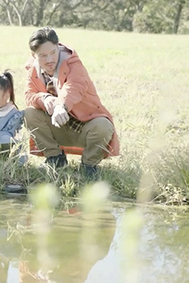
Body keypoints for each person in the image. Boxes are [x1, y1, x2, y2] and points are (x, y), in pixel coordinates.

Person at [23, 27, 120, 179]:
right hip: (57, 126)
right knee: (28, 113)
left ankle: (89, 165)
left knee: (104, 126)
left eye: (53, 53)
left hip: (85, 126)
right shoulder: (32, 68)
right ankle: (55, 159)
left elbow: (74, 87)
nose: (49, 60)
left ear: (58, 47)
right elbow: (29, 94)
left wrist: (61, 105)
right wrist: (44, 99)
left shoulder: (72, 62)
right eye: (43, 55)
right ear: (34, 55)